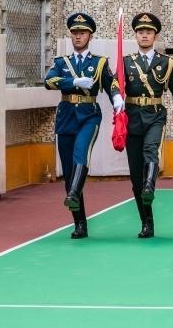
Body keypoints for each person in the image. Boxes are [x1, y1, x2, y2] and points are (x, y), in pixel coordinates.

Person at [44, 12, 124, 239]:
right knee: (69, 172)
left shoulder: (99, 63)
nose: (78, 37)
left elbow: (111, 84)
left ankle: (74, 193)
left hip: (89, 116)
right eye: (75, 33)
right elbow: (48, 81)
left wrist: (117, 99)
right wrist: (73, 82)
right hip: (66, 116)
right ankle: (80, 222)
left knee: (81, 152)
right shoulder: (61, 63)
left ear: (90, 35)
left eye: (82, 33)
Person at [121, 12, 173, 238]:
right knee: (134, 175)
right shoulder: (126, 62)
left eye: (148, 32)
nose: (145, 35)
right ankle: (146, 222)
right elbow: (114, 85)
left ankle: (150, 185)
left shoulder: (166, 63)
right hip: (131, 118)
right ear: (136, 35)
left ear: (155, 35)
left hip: (155, 115)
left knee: (152, 151)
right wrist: (115, 97)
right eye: (141, 32)